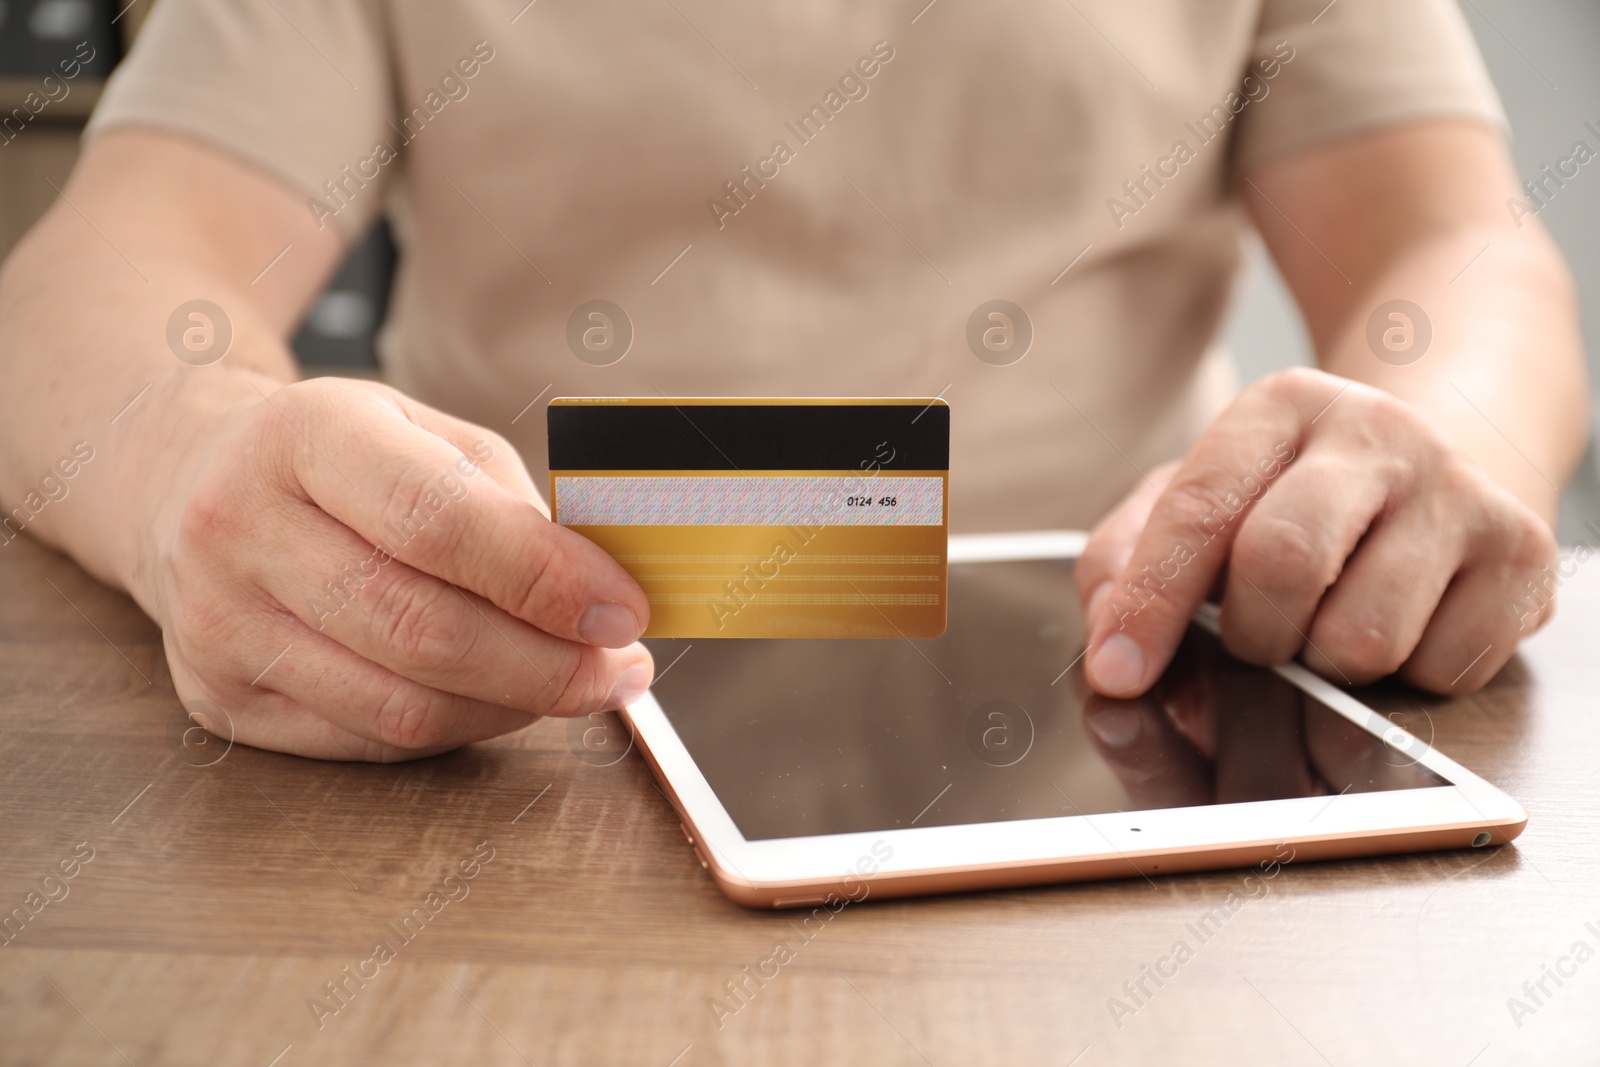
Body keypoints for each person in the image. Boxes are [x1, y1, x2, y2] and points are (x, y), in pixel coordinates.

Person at [0, 0, 1586, 761]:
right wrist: (194, 460)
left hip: (1144, 708)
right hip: (507, 725)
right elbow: (101, 275)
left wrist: (1439, 437)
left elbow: (1457, 250)